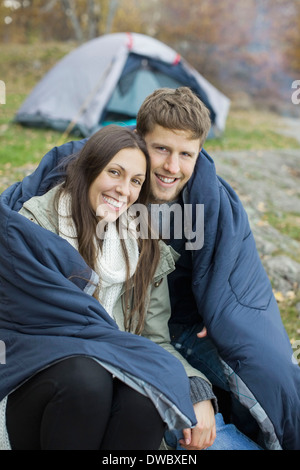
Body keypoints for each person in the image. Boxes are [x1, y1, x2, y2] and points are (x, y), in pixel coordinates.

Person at [2, 87, 299, 449]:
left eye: (185, 154)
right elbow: (17, 243)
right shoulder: (59, 203)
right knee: (92, 381)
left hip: (165, 331)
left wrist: (217, 315)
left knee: (172, 391)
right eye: (161, 150)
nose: (172, 167)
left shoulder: (171, 226)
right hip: (74, 355)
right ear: (139, 142)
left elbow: (234, 283)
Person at [0, 124, 211, 450]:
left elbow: (154, 340)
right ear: (88, 168)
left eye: (136, 181)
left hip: (107, 384)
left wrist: (195, 387)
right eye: (115, 172)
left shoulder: (144, 248)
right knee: (87, 377)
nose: (123, 189)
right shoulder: (35, 228)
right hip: (36, 383)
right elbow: (20, 328)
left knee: (146, 393)